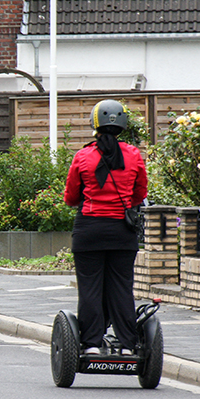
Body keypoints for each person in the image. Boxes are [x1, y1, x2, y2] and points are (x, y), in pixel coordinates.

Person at [63, 99, 148, 356]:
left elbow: (71, 197)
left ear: (94, 124)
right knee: (121, 288)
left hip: (89, 229)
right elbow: (140, 192)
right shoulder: (133, 155)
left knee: (90, 289)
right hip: (122, 231)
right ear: (123, 125)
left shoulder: (83, 155)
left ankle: (91, 343)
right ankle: (127, 342)